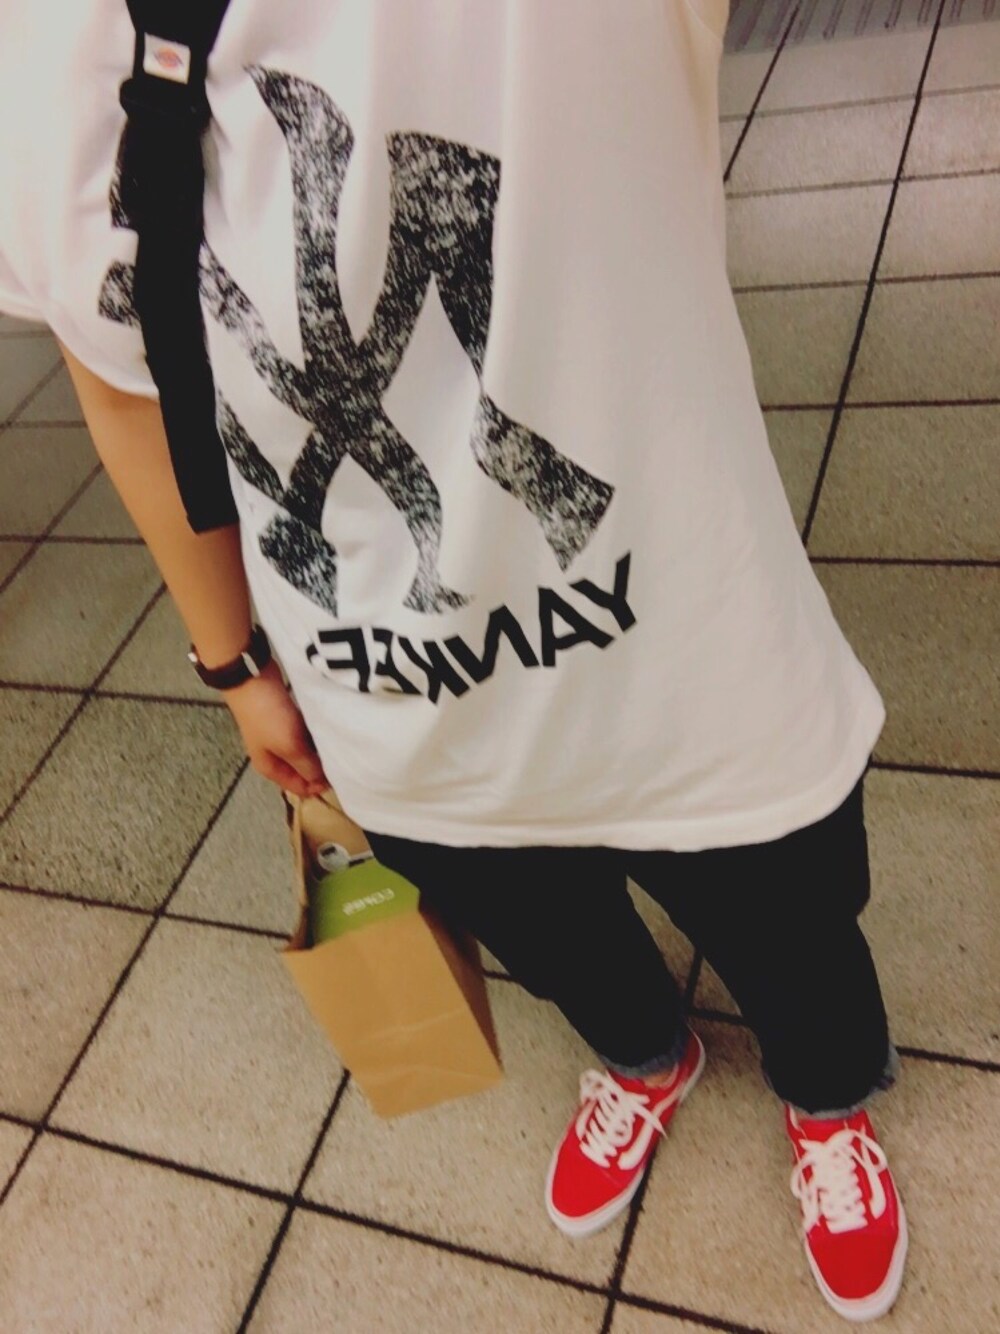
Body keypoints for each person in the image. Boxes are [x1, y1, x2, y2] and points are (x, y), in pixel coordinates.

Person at [0, 0, 907, 1321]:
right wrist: (233, 661)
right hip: (386, 683)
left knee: (787, 920)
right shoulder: (44, 39)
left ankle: (827, 1100)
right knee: (544, 927)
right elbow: (120, 379)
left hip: (687, 639)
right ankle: (645, 1057)